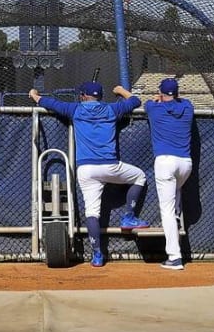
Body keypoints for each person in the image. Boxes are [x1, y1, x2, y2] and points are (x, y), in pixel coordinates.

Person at [29, 81, 148, 267]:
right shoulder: (111, 109)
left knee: (92, 212)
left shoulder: (75, 109)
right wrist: (119, 90)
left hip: (86, 169)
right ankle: (129, 216)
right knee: (139, 176)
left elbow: (49, 103)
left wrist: (35, 95)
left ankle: (98, 255)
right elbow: (135, 101)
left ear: (84, 96)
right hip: (110, 166)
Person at [142, 77, 195, 271]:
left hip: (165, 162)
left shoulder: (154, 108)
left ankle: (174, 257)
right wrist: (167, 98)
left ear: (161, 93)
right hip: (185, 163)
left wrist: (158, 99)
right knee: (174, 198)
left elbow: (147, 104)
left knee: (167, 210)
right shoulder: (188, 108)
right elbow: (181, 102)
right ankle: (177, 214)